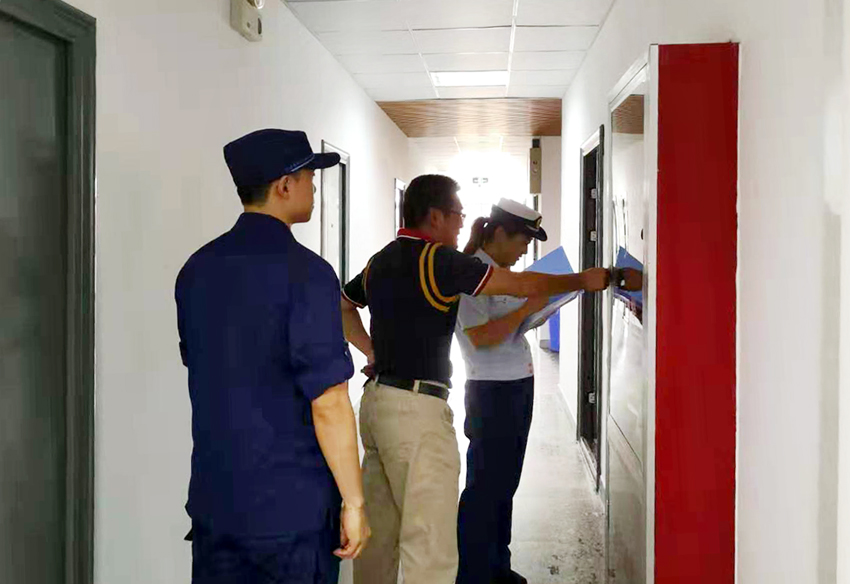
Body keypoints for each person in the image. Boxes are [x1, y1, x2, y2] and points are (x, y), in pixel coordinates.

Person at [339, 174, 610, 584]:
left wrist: (372, 351)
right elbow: (520, 285)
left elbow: (342, 305)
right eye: (458, 215)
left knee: (380, 531)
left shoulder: (381, 260)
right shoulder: (440, 261)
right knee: (429, 542)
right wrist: (579, 280)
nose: (462, 224)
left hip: (377, 403)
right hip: (416, 413)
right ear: (435, 216)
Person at [175, 129, 370, 584]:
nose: (314, 187)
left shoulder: (196, 270)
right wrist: (355, 502)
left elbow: (209, 368)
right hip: (290, 514)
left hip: (216, 505)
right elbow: (329, 402)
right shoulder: (308, 274)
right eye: (309, 178)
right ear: (284, 186)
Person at [454, 200, 553, 584]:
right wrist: (528, 308)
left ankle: (497, 566)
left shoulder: (502, 273)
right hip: (492, 393)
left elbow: (509, 325)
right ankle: (474, 574)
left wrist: (537, 310)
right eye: (523, 241)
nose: (525, 250)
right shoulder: (473, 275)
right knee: (485, 488)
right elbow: (480, 337)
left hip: (514, 387)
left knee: (504, 484)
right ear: (499, 234)